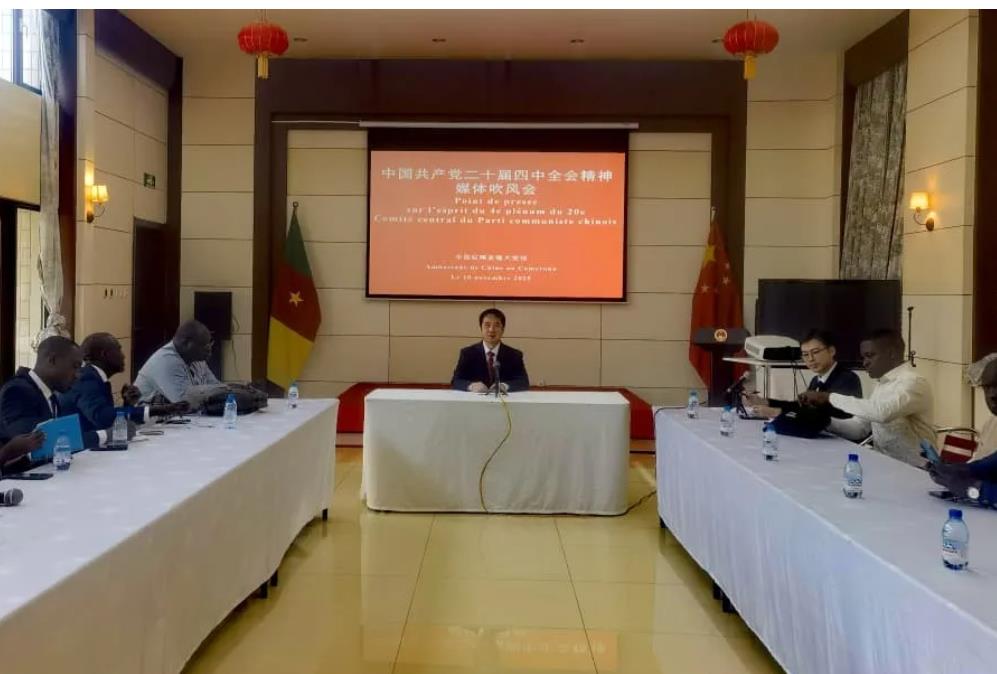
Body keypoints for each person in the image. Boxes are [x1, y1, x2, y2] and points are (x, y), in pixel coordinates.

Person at [800, 329, 934, 467]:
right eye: (863, 357)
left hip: (917, 469)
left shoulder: (914, 382)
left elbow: (882, 413)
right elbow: (860, 428)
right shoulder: (882, 384)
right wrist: (823, 421)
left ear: (891, 354)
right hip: (885, 464)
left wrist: (828, 397)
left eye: (869, 356)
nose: (865, 363)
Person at [0, 336, 102, 472]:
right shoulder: (18, 391)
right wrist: (104, 435)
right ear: (52, 360)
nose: (78, 375)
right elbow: (41, 444)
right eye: (75, 366)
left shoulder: (50, 394)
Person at [58, 333, 188, 435]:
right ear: (105, 354)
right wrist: (160, 410)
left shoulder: (95, 377)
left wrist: (127, 404)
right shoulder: (87, 378)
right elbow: (101, 417)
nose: (123, 356)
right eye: (119, 350)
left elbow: (107, 417)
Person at [743, 329, 863, 435]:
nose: (810, 359)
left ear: (831, 351)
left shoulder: (847, 379)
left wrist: (776, 412)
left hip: (840, 439)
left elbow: (820, 416)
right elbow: (800, 407)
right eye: (805, 354)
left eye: (815, 352)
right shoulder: (816, 380)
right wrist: (765, 402)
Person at [929, 357, 997, 505]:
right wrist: (962, 470)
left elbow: (977, 489)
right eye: (987, 388)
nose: (992, 395)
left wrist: (974, 490)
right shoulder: (992, 422)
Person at [134, 320, 220, 404]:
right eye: (204, 345)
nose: (209, 349)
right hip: (146, 413)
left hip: (176, 412)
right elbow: (186, 403)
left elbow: (217, 390)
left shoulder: (197, 360)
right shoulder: (167, 361)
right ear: (186, 343)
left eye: (210, 343)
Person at [451, 308, 529, 393]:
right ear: (481, 328)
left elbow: (523, 382)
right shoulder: (467, 353)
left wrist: (504, 386)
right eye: (487, 325)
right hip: (475, 400)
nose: (491, 330)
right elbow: (456, 381)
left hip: (503, 400)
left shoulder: (514, 355)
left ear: (503, 330)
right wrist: (472, 386)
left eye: (496, 325)